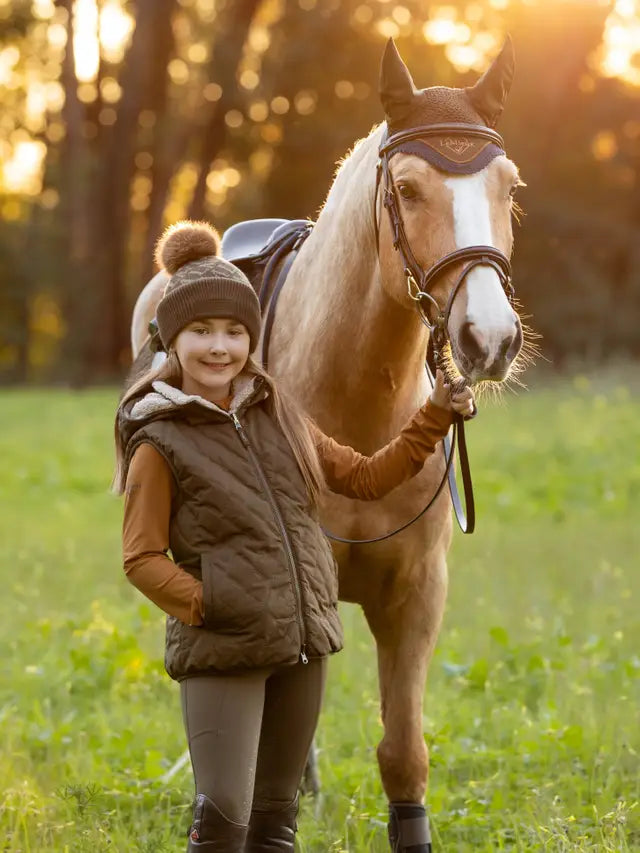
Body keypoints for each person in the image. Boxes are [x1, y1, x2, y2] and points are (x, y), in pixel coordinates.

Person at [113, 221, 475, 852]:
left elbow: (365, 477)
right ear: (173, 342)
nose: (220, 347)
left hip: (304, 643)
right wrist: (210, 604)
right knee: (224, 815)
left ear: (253, 340)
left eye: (234, 332)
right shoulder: (159, 439)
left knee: (277, 821)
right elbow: (141, 556)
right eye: (201, 332)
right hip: (224, 644)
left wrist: (436, 413)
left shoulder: (283, 414)